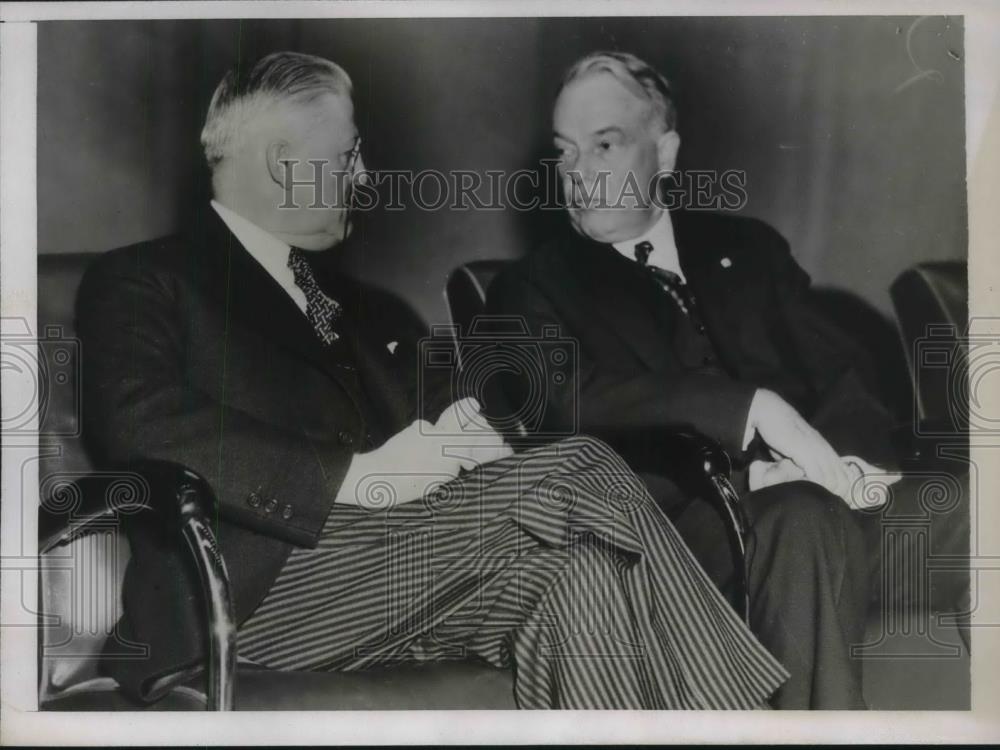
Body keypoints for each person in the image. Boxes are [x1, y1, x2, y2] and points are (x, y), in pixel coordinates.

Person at [77, 51, 790, 710]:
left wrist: (471, 439)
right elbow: (137, 420)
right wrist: (353, 476)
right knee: (579, 466)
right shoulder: (146, 279)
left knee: (585, 577)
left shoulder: (362, 308)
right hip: (246, 594)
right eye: (348, 153)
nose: (362, 177)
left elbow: (451, 423)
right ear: (280, 160)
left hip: (391, 570)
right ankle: (742, 719)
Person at [487, 50, 943, 709]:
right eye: (565, 151)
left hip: (817, 495)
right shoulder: (532, 286)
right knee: (803, 522)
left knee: (970, 514)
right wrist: (746, 411)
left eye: (604, 145)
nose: (578, 173)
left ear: (664, 153)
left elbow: (844, 370)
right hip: (685, 532)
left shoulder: (749, 248)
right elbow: (566, 398)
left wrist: (840, 462)